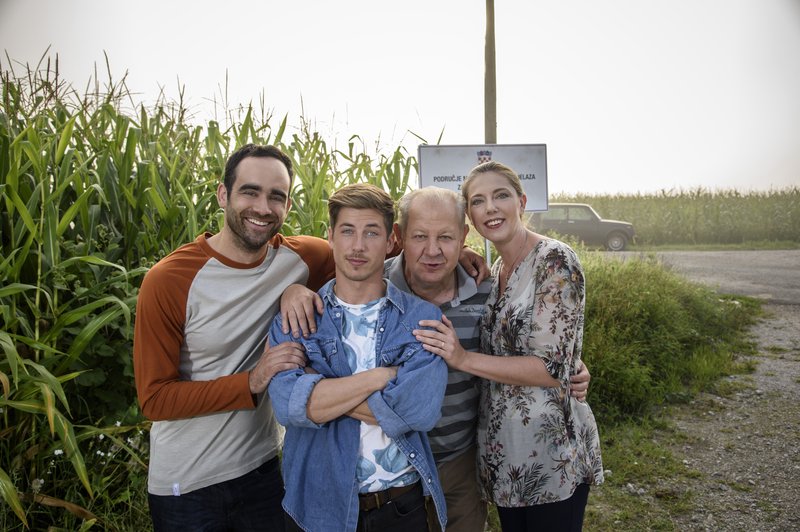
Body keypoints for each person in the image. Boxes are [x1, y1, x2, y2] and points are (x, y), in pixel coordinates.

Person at [281, 186, 592, 532]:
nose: (432, 251)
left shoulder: (487, 292)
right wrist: (294, 291)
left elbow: (535, 349)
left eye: (445, 237)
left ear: (463, 237)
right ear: (398, 237)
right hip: (391, 474)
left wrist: (573, 368)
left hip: (458, 462)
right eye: (420, 237)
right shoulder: (371, 279)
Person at [133, 143, 335, 530]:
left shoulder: (305, 259)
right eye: (250, 191)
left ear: (288, 207)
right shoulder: (170, 279)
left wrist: (453, 260)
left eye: (277, 196)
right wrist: (252, 381)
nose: (263, 207)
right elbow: (154, 398)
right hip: (187, 487)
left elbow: (375, 259)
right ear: (223, 195)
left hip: (263, 473)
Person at [413, 161, 604, 532]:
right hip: (502, 452)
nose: (491, 208)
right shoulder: (493, 269)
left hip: (549, 451)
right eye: (478, 200)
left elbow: (551, 368)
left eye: (501, 195)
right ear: (469, 214)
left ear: (522, 201)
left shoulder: (554, 260)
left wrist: (463, 358)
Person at [268, 183, 449, 532]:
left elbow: (418, 411)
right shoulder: (298, 320)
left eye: (371, 232)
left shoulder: (421, 319)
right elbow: (288, 406)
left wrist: (318, 389)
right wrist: (380, 378)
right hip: (317, 505)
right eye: (347, 231)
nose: (358, 245)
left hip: (402, 505)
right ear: (331, 237)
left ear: (390, 241)